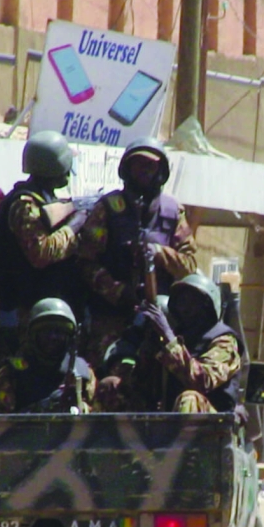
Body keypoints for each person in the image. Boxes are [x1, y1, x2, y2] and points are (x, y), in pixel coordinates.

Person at [77, 137, 197, 363]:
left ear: (160, 171)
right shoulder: (107, 208)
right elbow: (85, 262)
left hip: (160, 319)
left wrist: (158, 253)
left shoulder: (172, 212)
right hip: (111, 317)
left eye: (150, 165)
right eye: (138, 164)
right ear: (127, 169)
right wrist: (117, 291)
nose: (144, 170)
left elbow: (189, 265)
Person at [0, 130, 89, 328]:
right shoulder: (24, 204)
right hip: (25, 309)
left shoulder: (43, 198)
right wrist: (75, 225)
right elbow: (41, 253)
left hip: (41, 301)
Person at [138, 273, 243, 413]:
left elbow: (202, 381)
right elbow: (143, 386)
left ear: (207, 306)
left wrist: (168, 337)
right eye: (181, 301)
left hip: (213, 421)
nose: (185, 307)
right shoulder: (176, 337)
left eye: (192, 301)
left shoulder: (224, 341)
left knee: (190, 398)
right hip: (169, 418)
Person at [0, 298, 95, 414]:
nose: (53, 337)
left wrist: (80, 407)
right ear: (33, 336)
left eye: (59, 332)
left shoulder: (83, 373)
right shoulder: (12, 372)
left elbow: (99, 417)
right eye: (46, 332)